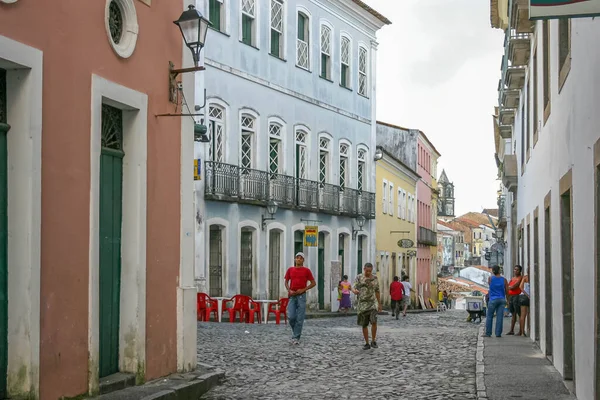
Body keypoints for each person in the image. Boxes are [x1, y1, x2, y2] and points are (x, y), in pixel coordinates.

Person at [284, 252, 316, 345]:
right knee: (291, 316)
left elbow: (313, 283)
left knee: (300, 318)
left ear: (303, 260)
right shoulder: (290, 270)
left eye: (300, 258)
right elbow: (286, 281)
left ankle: (296, 337)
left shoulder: (306, 271)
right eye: (297, 258)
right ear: (295, 259)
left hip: (301, 295)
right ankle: (296, 333)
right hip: (292, 295)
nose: (298, 259)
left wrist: (303, 289)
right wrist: (289, 290)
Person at [352, 263, 382, 350]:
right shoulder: (359, 277)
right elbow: (353, 287)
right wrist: (355, 291)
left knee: (374, 321)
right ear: (364, 269)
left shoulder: (375, 278)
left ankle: (373, 340)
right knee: (364, 324)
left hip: (372, 303)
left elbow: (377, 291)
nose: (368, 273)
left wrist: (379, 303)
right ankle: (367, 343)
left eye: (370, 271)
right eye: (367, 271)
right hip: (362, 304)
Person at [485, 265, 509, 337]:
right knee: (500, 317)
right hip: (502, 299)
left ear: (493, 271)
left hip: (493, 299)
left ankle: (488, 333)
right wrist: (508, 300)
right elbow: (507, 291)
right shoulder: (504, 280)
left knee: (489, 316)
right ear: (499, 271)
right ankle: (498, 333)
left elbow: (490, 286)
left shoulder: (490, 279)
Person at [507, 265, 523, 335]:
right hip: (511, 296)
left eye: (517, 270)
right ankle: (512, 330)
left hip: (517, 296)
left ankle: (520, 330)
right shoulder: (513, 278)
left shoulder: (520, 278)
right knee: (513, 313)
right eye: (515, 269)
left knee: (519, 313)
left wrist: (510, 287)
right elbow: (508, 287)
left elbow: (514, 286)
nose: (516, 271)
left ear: (520, 271)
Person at [518, 267, 531, 336]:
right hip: (526, 297)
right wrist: (528, 295)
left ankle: (522, 331)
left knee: (523, 315)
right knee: (526, 315)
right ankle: (524, 331)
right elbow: (521, 287)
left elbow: (521, 287)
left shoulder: (525, 277)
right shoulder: (529, 277)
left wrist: (526, 295)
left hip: (523, 297)